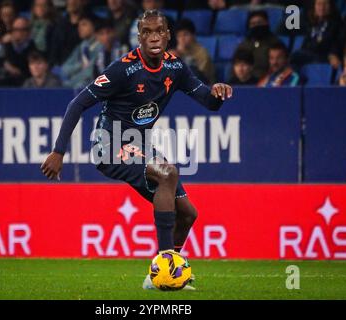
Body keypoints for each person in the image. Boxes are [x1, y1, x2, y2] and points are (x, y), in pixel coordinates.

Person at [40, 9, 232, 290]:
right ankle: (165, 267)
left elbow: (209, 101)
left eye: (159, 31)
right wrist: (58, 151)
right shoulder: (122, 69)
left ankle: (159, 277)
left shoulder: (176, 68)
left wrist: (218, 92)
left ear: (168, 35)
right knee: (168, 173)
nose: (153, 37)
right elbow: (76, 104)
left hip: (141, 145)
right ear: (139, 37)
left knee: (188, 214)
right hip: (110, 144)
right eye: (147, 32)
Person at [290, 0, 342, 70]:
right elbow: (307, 41)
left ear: (331, 6)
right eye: (319, 4)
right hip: (310, 54)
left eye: (325, 4)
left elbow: (337, 42)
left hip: (323, 57)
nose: (322, 8)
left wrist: (333, 54)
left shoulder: (336, 23)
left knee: (295, 57)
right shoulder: (313, 21)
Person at [236, 10, 281, 79]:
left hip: (269, 82)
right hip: (247, 82)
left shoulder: (275, 43)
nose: (257, 25)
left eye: (260, 22)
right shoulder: (243, 45)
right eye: (253, 24)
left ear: (267, 23)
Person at [61, 14, 101, 89]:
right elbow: (64, 70)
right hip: (76, 85)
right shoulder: (81, 47)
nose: (79, 28)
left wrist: (70, 83)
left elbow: (89, 73)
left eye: (84, 25)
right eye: (79, 26)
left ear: (93, 26)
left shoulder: (100, 46)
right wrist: (79, 66)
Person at [173, 18, 216, 85]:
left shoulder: (202, 53)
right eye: (179, 36)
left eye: (185, 34)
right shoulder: (175, 52)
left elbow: (200, 76)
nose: (182, 39)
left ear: (193, 35)